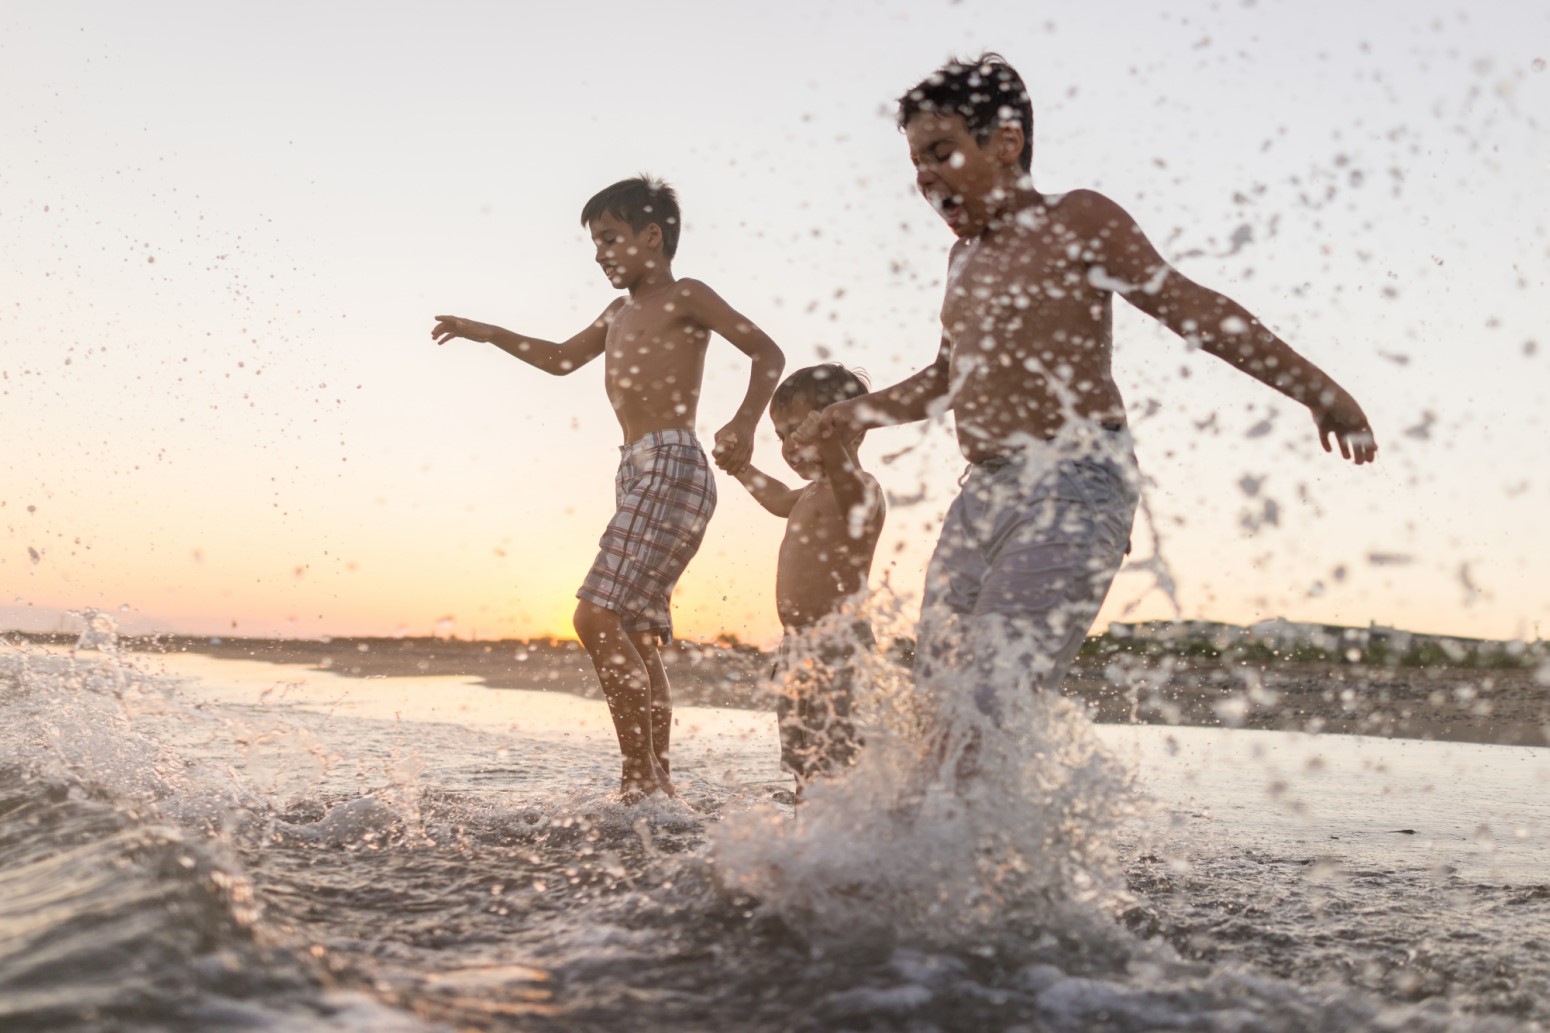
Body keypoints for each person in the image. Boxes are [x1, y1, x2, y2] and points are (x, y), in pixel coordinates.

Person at [810, 54, 1378, 734]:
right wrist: (854, 414)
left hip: (1076, 480)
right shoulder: (962, 259)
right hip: (982, 492)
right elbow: (944, 379)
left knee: (989, 703)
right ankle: (941, 840)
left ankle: (982, 832)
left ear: (1006, 142)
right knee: (935, 706)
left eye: (941, 152)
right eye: (916, 163)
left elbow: (1188, 306)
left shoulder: (1075, 219)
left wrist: (1318, 390)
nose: (925, 176)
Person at [432, 176, 785, 801]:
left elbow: (767, 352)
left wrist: (744, 422)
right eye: (595, 245)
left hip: (674, 461)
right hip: (634, 467)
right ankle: (658, 788)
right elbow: (561, 359)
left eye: (611, 239)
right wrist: (486, 332)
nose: (601, 255)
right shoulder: (617, 312)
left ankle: (637, 775)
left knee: (594, 615)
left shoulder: (686, 294)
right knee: (639, 635)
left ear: (652, 236)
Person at [723, 364, 886, 794]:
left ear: (852, 430)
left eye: (800, 431)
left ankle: (845, 845)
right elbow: (777, 499)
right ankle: (806, 843)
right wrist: (741, 467)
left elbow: (853, 507)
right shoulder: (812, 491)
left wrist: (830, 442)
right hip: (796, 648)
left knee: (837, 763)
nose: (789, 446)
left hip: (839, 648)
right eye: (780, 436)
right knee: (803, 764)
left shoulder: (862, 487)